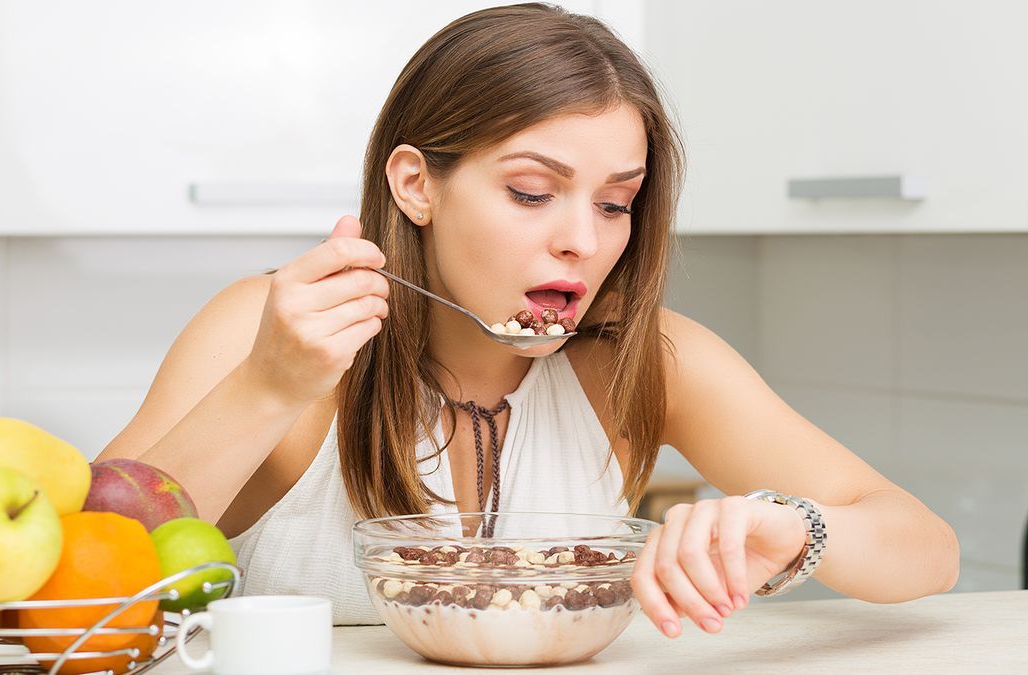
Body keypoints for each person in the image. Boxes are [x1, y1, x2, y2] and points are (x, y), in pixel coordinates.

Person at [98, 3, 958, 633]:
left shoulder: (642, 360)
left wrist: (795, 529)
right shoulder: (274, 331)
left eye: (617, 203)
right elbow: (71, 583)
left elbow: (925, 546)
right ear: (416, 184)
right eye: (532, 192)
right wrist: (266, 386)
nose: (581, 241)